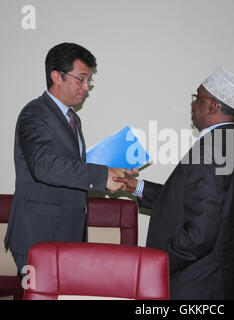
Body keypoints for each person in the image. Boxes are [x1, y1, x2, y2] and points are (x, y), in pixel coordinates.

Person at [118, 67, 234, 299]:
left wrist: (157, 266)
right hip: (220, 278)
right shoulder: (230, 144)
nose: (192, 104)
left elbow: (199, 235)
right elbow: (184, 200)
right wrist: (135, 186)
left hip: (200, 283)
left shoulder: (210, 151)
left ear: (212, 105)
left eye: (197, 98)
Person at [4, 42, 128, 277]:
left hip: (68, 236)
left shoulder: (72, 118)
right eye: (81, 79)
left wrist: (110, 172)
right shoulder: (35, 113)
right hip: (39, 236)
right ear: (56, 76)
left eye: (88, 80)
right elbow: (43, 165)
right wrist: (101, 176)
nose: (86, 87)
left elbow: (69, 168)